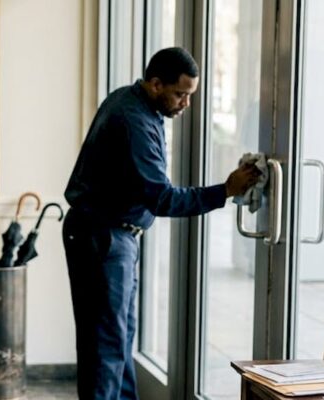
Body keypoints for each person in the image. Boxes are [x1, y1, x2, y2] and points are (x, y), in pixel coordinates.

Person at [62, 47, 259, 399]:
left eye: (190, 95)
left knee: (118, 343)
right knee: (107, 349)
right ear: (155, 84)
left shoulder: (132, 102)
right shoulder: (133, 120)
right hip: (103, 237)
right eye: (181, 94)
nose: (186, 104)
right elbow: (162, 198)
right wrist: (225, 190)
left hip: (109, 234)